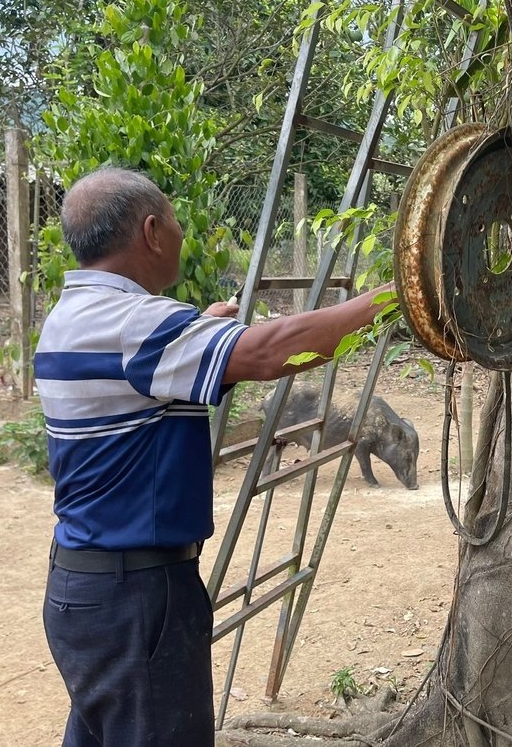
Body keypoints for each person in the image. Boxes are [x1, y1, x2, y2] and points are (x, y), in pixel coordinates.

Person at [36, 167, 395, 746]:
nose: (181, 232)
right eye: (175, 220)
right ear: (151, 231)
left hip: (82, 590)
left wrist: (199, 334)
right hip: (139, 601)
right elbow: (273, 352)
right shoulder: (137, 325)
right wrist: (398, 294)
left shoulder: (67, 319)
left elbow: (136, 392)